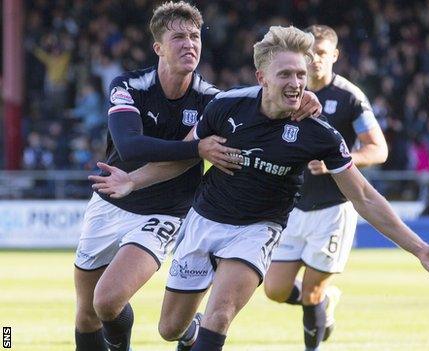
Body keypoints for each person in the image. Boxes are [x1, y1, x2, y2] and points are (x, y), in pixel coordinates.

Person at [90, 25, 429, 351]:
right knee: (169, 329)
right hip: (204, 221)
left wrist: (419, 249)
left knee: (220, 315)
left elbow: (364, 196)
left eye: (300, 75)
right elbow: (188, 154)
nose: (296, 83)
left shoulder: (318, 133)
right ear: (262, 77)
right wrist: (132, 180)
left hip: (258, 229)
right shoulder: (226, 106)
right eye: (285, 74)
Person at [73, 3, 320, 351]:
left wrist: (301, 96)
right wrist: (197, 149)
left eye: (194, 36)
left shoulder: (212, 100)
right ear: (158, 47)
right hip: (111, 198)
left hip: (166, 211)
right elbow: (130, 148)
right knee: (86, 315)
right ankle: (189, 334)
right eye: (178, 37)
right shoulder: (129, 86)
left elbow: (263, 98)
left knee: (107, 300)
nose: (189, 44)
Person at [262, 24, 388, 350]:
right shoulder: (287, 91)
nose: (315, 60)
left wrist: (342, 159)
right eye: (310, 54)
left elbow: (379, 149)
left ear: (334, 56)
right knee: (274, 290)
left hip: (332, 209)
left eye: (321, 53)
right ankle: (325, 301)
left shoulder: (349, 97)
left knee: (310, 293)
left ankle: (314, 336)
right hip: (293, 205)